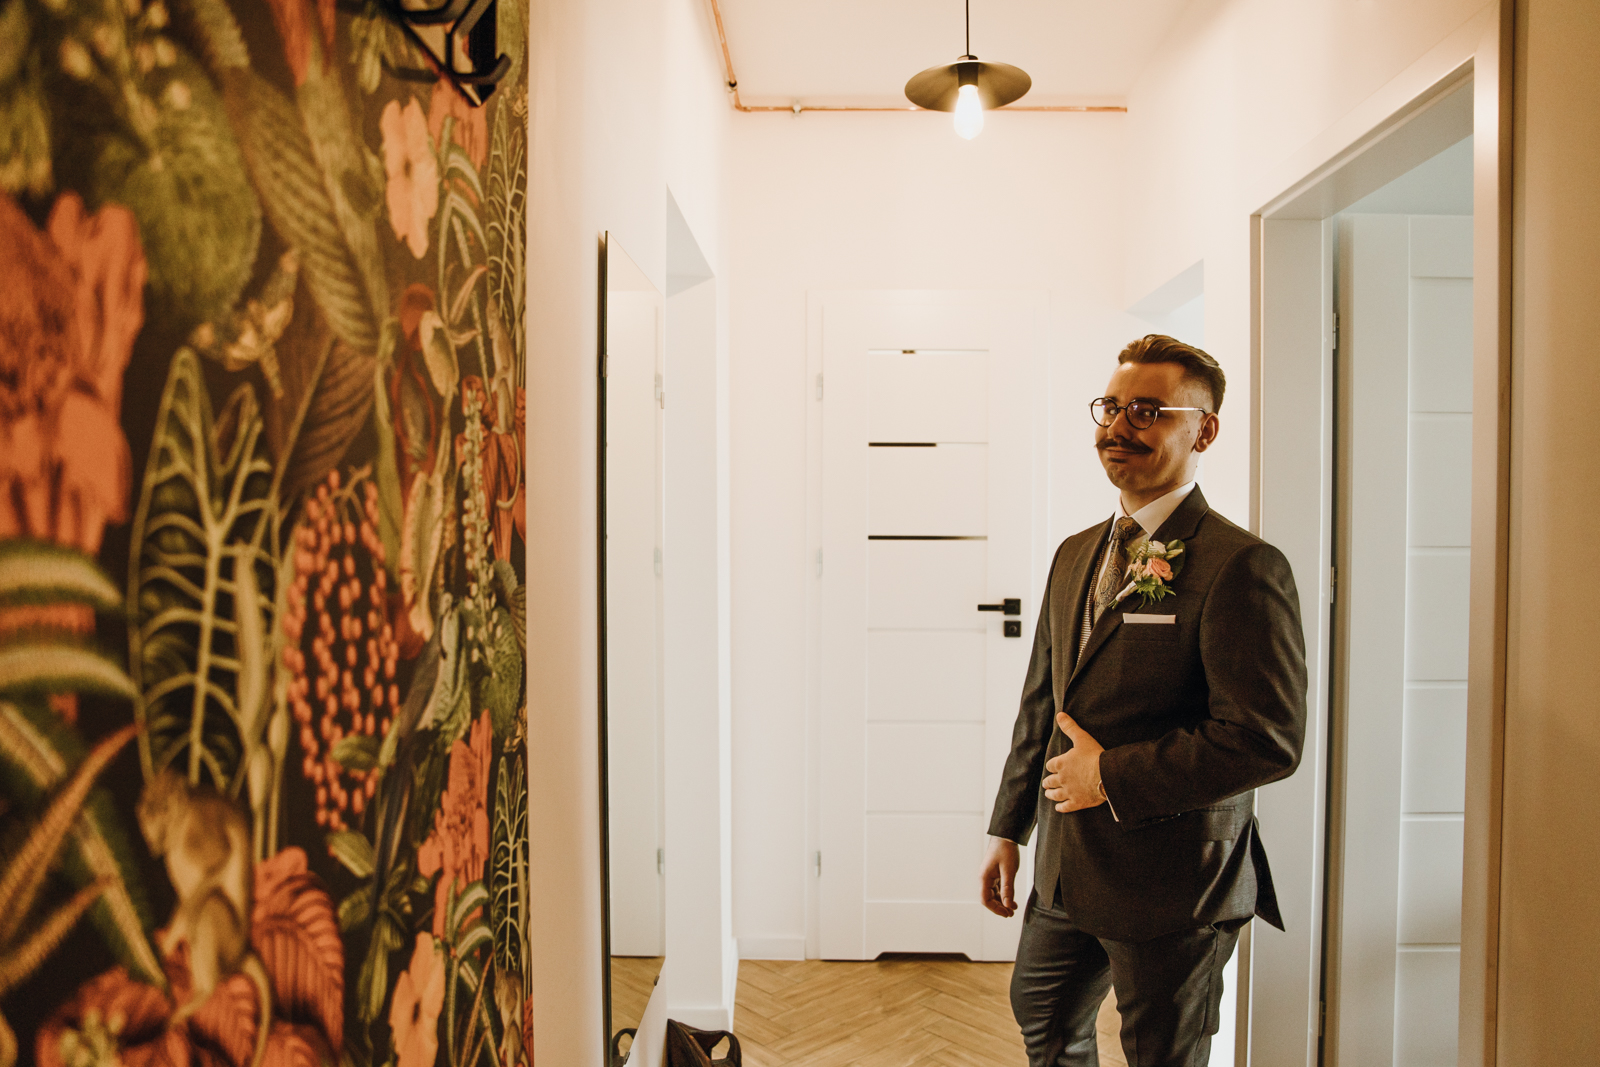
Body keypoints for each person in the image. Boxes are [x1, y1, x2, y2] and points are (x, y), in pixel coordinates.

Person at [981, 335, 1308, 1067]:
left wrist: (1109, 775)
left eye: (1148, 411)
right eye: (1111, 407)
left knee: (1162, 1055)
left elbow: (1266, 739)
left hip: (1175, 881)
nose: (1118, 426)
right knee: (1044, 1021)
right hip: (1065, 865)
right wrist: (1009, 826)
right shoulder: (1075, 552)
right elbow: (1043, 702)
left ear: (1204, 430)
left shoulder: (1242, 566)